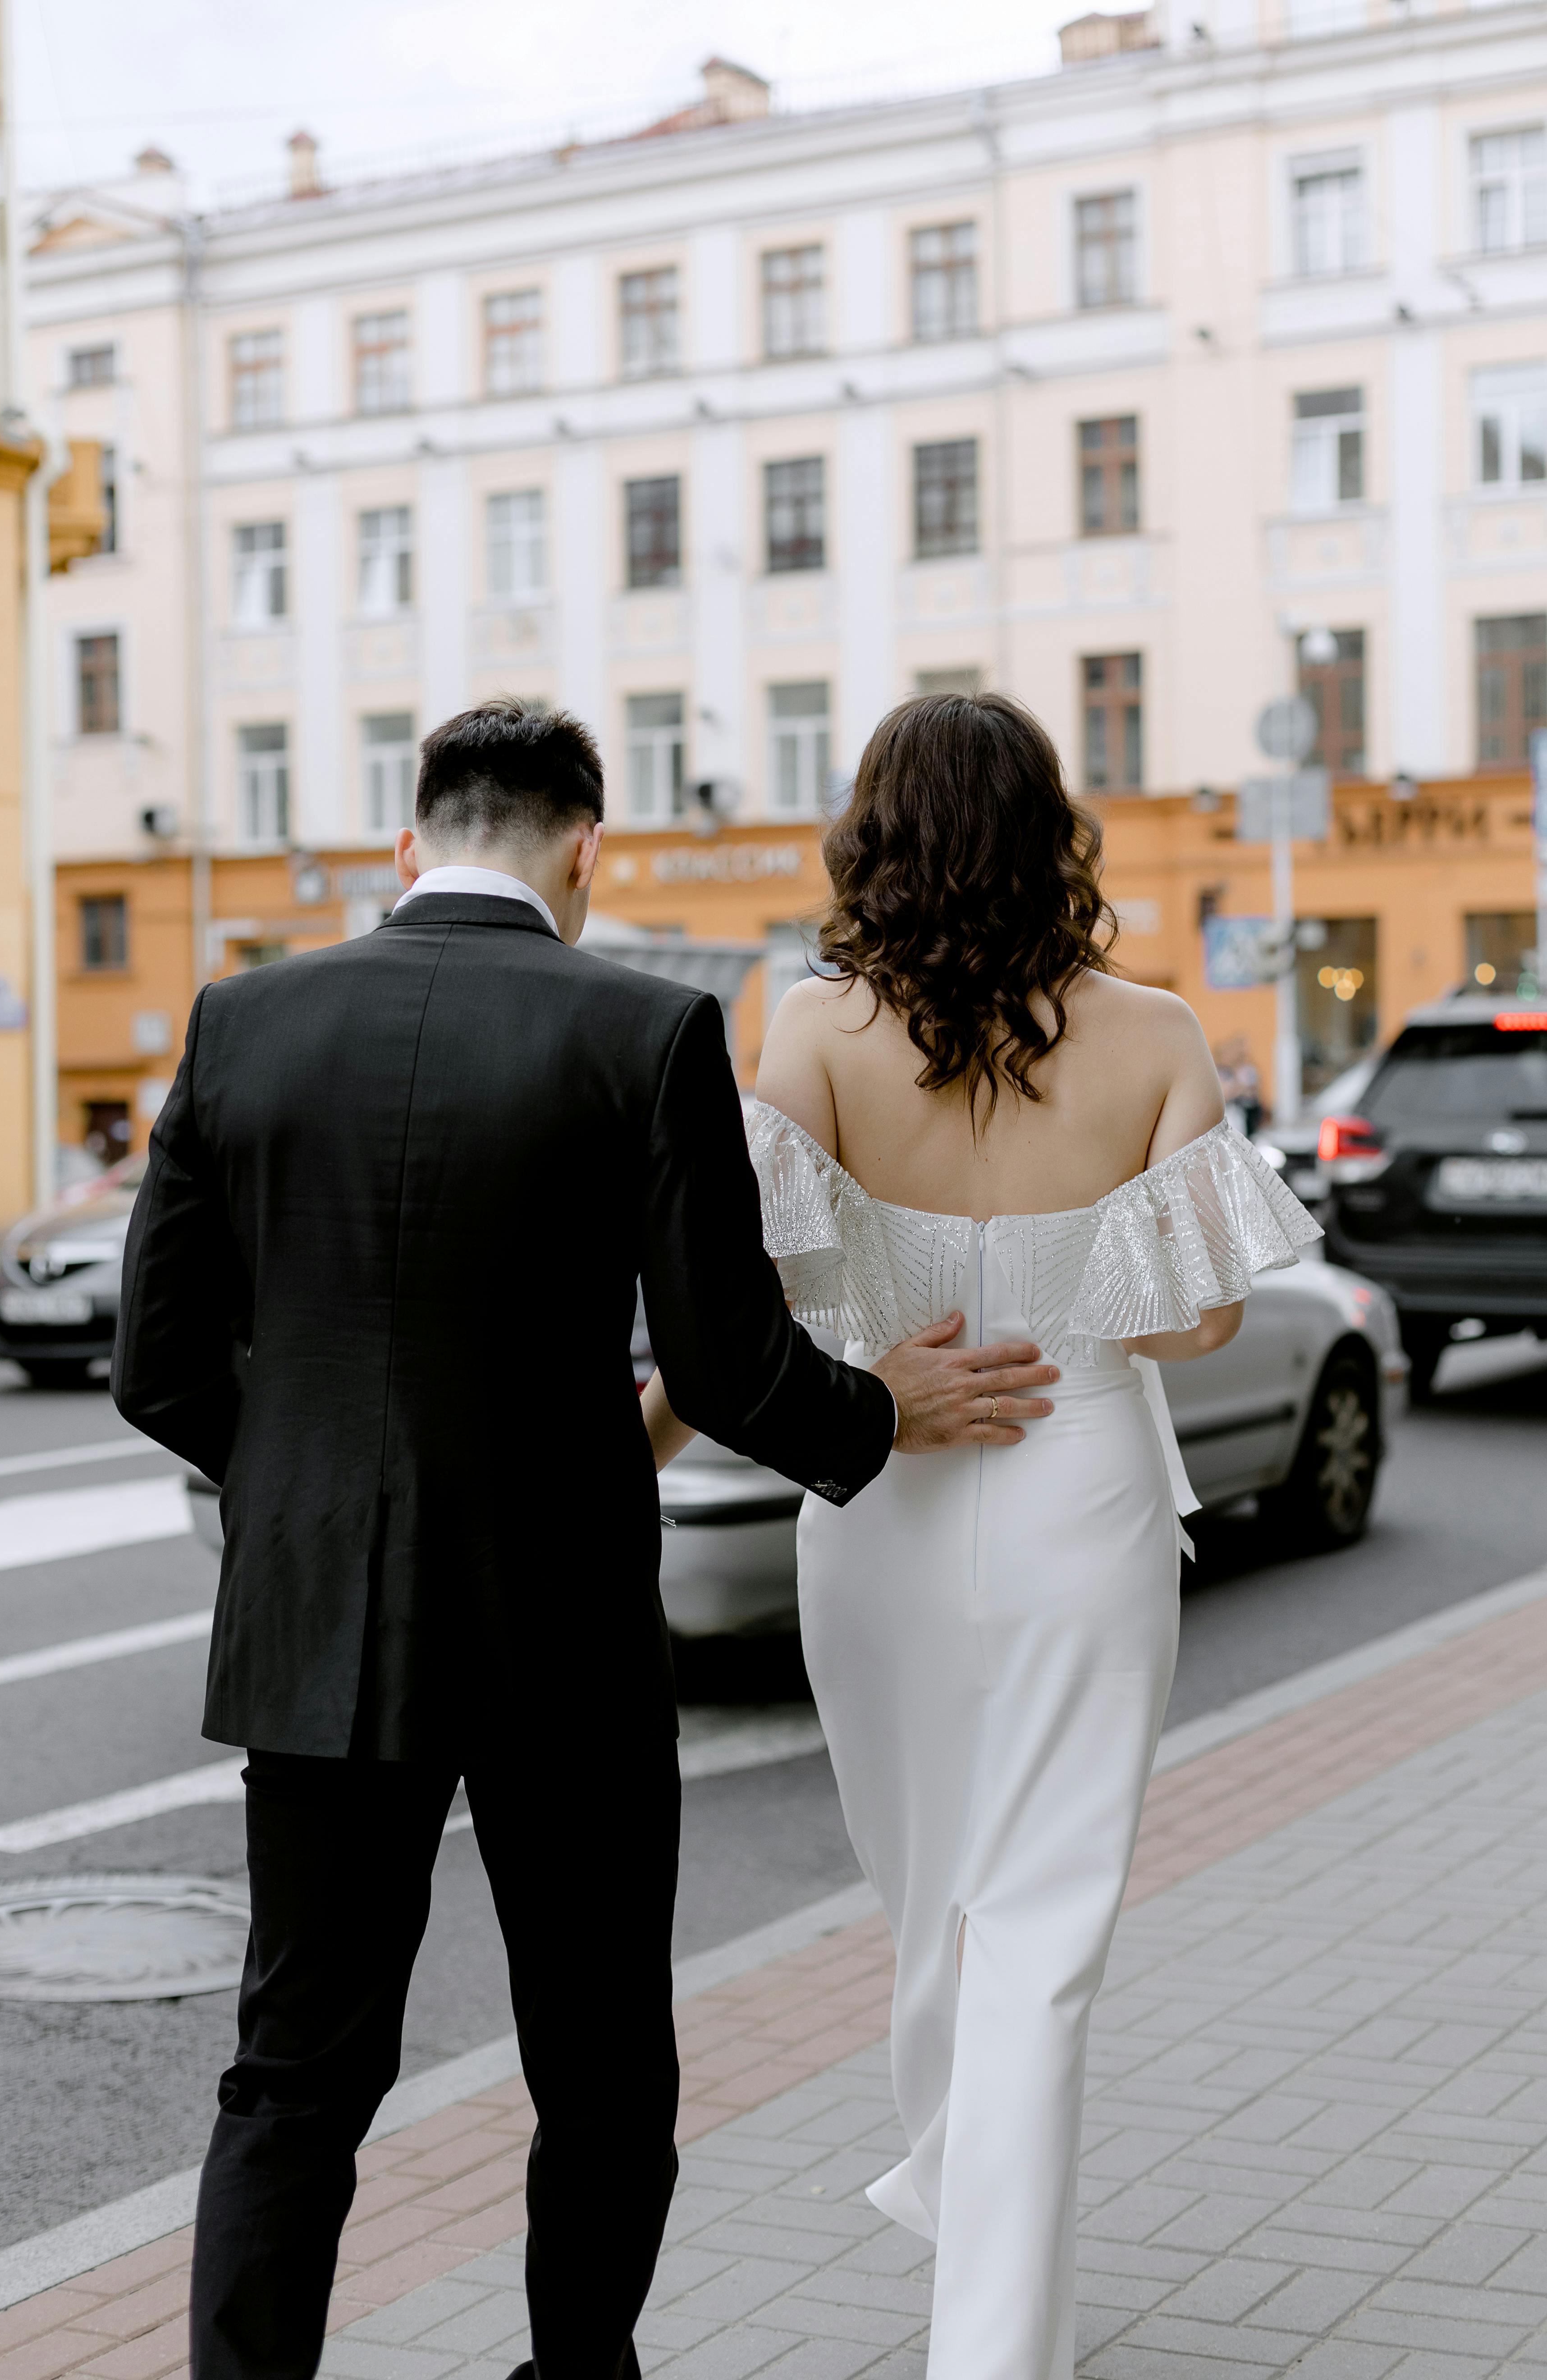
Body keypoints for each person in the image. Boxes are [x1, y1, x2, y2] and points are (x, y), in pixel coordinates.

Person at [112, 697, 1059, 2380]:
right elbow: (720, 1361)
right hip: (562, 1627)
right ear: (586, 853)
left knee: (296, 2070)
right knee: (603, 2064)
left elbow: (161, 1363)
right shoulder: (644, 1029)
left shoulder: (242, 1020)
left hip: (316, 1614)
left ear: (412, 841)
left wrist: (304, 1498)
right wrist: (879, 1409)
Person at [643, 692, 1319, 2380]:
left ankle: (992, 2310)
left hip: (882, 1492)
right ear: (1053, 835)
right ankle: (988, 2245)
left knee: (937, 1892)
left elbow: (751, 1303)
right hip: (1083, 1489)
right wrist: (1066, 1299)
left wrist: (897, 1353)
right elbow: (1203, 1330)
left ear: (874, 834)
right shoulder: (1158, 1032)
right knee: (1039, 1922)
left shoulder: (808, 1029)